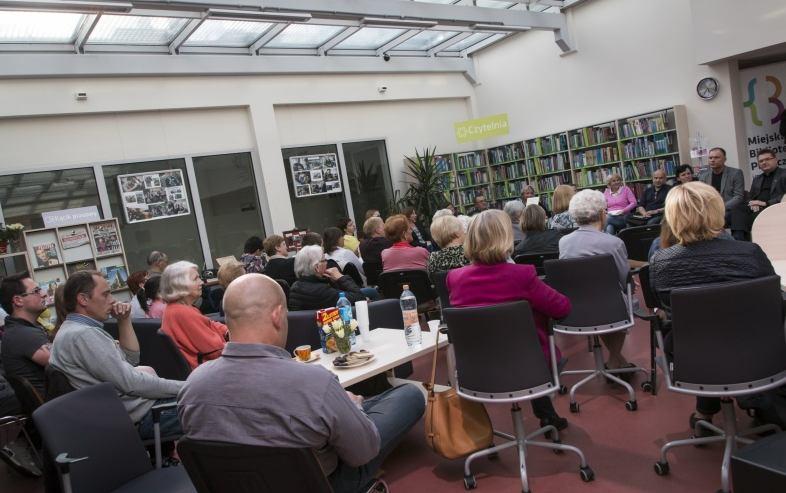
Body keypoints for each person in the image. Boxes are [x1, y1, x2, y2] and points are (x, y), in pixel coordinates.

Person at [178, 273, 424, 493]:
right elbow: (363, 452)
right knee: (409, 395)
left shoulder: (192, 386)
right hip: (323, 484)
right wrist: (356, 407)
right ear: (276, 315)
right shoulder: (314, 382)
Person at [650, 181, 775, 433]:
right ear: (717, 210)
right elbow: (771, 301)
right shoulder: (750, 253)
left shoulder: (661, 262)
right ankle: (757, 404)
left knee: (692, 329)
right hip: (757, 355)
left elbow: (665, 309)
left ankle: (705, 410)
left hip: (695, 360)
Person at [447, 210, 569, 431]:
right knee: (527, 337)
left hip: (477, 369)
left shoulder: (455, 279)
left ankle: (487, 430)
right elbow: (562, 308)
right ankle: (546, 414)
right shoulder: (522, 275)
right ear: (505, 237)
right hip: (529, 366)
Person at [49, 271, 183, 440]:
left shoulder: (73, 330)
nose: (112, 300)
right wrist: (186, 387)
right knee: (217, 408)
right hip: (144, 417)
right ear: (83, 299)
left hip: (126, 416)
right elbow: (131, 383)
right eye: (105, 294)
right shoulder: (83, 335)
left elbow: (131, 361)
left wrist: (124, 320)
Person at [559, 189, 633, 374]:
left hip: (574, 309)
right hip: (610, 307)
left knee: (605, 303)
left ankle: (616, 361)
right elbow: (624, 281)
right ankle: (616, 361)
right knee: (623, 300)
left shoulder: (564, 242)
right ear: (601, 213)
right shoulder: (613, 243)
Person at [160, 261, 228, 369]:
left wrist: (226, 331)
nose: (201, 282)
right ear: (180, 284)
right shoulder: (183, 313)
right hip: (208, 370)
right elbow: (215, 350)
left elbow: (209, 324)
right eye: (196, 279)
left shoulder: (178, 308)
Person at [0, 272, 50, 394]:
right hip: (56, 405)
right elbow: (64, 364)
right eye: (36, 291)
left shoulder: (16, 329)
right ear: (18, 301)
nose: (43, 294)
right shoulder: (23, 334)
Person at [731, 148, 786, 240]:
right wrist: (752, 203)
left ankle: (742, 242)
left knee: (748, 218)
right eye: (761, 161)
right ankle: (738, 239)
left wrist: (765, 203)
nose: (764, 162)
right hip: (757, 208)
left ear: (776, 160)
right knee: (737, 208)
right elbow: (750, 197)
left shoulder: (783, 174)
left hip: (774, 207)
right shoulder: (758, 179)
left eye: (767, 159)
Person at [288, 245, 365, 311]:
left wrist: (332, 281)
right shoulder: (322, 290)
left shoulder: (295, 286)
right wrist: (340, 277)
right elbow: (359, 298)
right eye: (324, 260)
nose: (327, 262)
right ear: (317, 267)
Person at [697, 147, 744, 231]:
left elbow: (738, 197)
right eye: (710, 158)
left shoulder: (736, 173)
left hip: (729, 210)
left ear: (724, 159)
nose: (712, 160)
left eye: (716, 157)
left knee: (736, 214)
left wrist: (720, 207)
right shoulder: (703, 176)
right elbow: (701, 197)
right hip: (709, 211)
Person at [358, 217, 391, 286]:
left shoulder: (362, 245)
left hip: (373, 282)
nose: (386, 228)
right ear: (377, 230)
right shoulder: (386, 243)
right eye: (383, 225)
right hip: (389, 280)